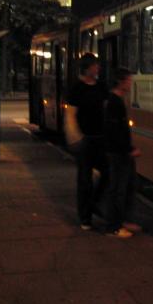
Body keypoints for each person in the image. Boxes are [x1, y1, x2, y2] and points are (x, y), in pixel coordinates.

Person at [65, 53, 110, 231]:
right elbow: (71, 115)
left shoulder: (101, 87)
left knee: (107, 173)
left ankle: (94, 203)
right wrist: (75, 137)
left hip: (100, 138)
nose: (98, 68)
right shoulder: (77, 89)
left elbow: (106, 109)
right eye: (95, 66)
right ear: (87, 68)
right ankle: (85, 217)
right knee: (84, 179)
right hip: (85, 139)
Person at [104, 68, 142, 238]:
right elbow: (115, 131)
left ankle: (123, 221)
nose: (130, 83)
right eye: (128, 80)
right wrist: (128, 149)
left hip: (121, 151)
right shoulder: (114, 102)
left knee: (127, 187)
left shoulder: (117, 100)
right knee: (118, 189)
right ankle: (114, 226)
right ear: (121, 82)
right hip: (118, 153)